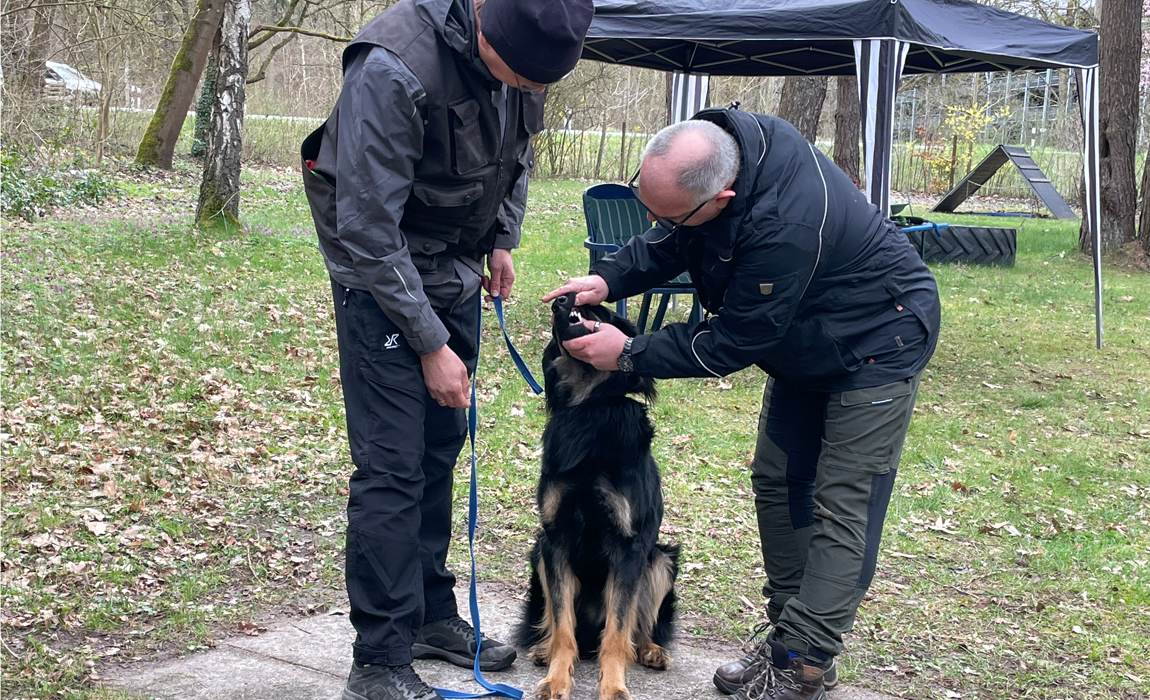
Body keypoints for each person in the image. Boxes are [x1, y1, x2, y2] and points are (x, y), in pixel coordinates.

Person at [544, 109, 941, 700]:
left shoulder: (785, 225)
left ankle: (803, 659)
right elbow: (673, 236)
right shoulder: (720, 154)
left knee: (841, 503)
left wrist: (628, 353)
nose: (654, 220)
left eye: (667, 212)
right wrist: (609, 279)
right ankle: (790, 635)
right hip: (803, 341)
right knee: (778, 479)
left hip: (877, 341)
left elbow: (732, 340)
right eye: (645, 202)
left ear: (722, 195)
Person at [300, 0, 593, 697]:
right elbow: (367, 226)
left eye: (536, 84)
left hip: (455, 271)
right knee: (392, 468)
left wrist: (500, 237)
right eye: (514, 75)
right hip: (380, 283)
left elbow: (514, 155)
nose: (523, 90)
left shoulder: (527, 56)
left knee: (439, 447)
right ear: (485, 21)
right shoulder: (393, 67)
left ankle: (430, 612)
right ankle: (378, 660)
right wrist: (429, 343)